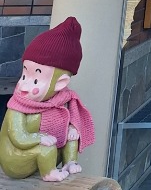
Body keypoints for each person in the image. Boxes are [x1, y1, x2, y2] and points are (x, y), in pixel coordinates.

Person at [0, 17, 95, 182]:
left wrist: (74, 129)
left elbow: (72, 123)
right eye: (24, 75)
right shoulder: (17, 106)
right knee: (46, 148)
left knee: (72, 135)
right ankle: (49, 173)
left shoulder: (63, 101)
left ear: (60, 83)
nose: (23, 85)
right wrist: (40, 138)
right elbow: (18, 137)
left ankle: (69, 162)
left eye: (35, 80)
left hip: (47, 151)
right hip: (16, 157)